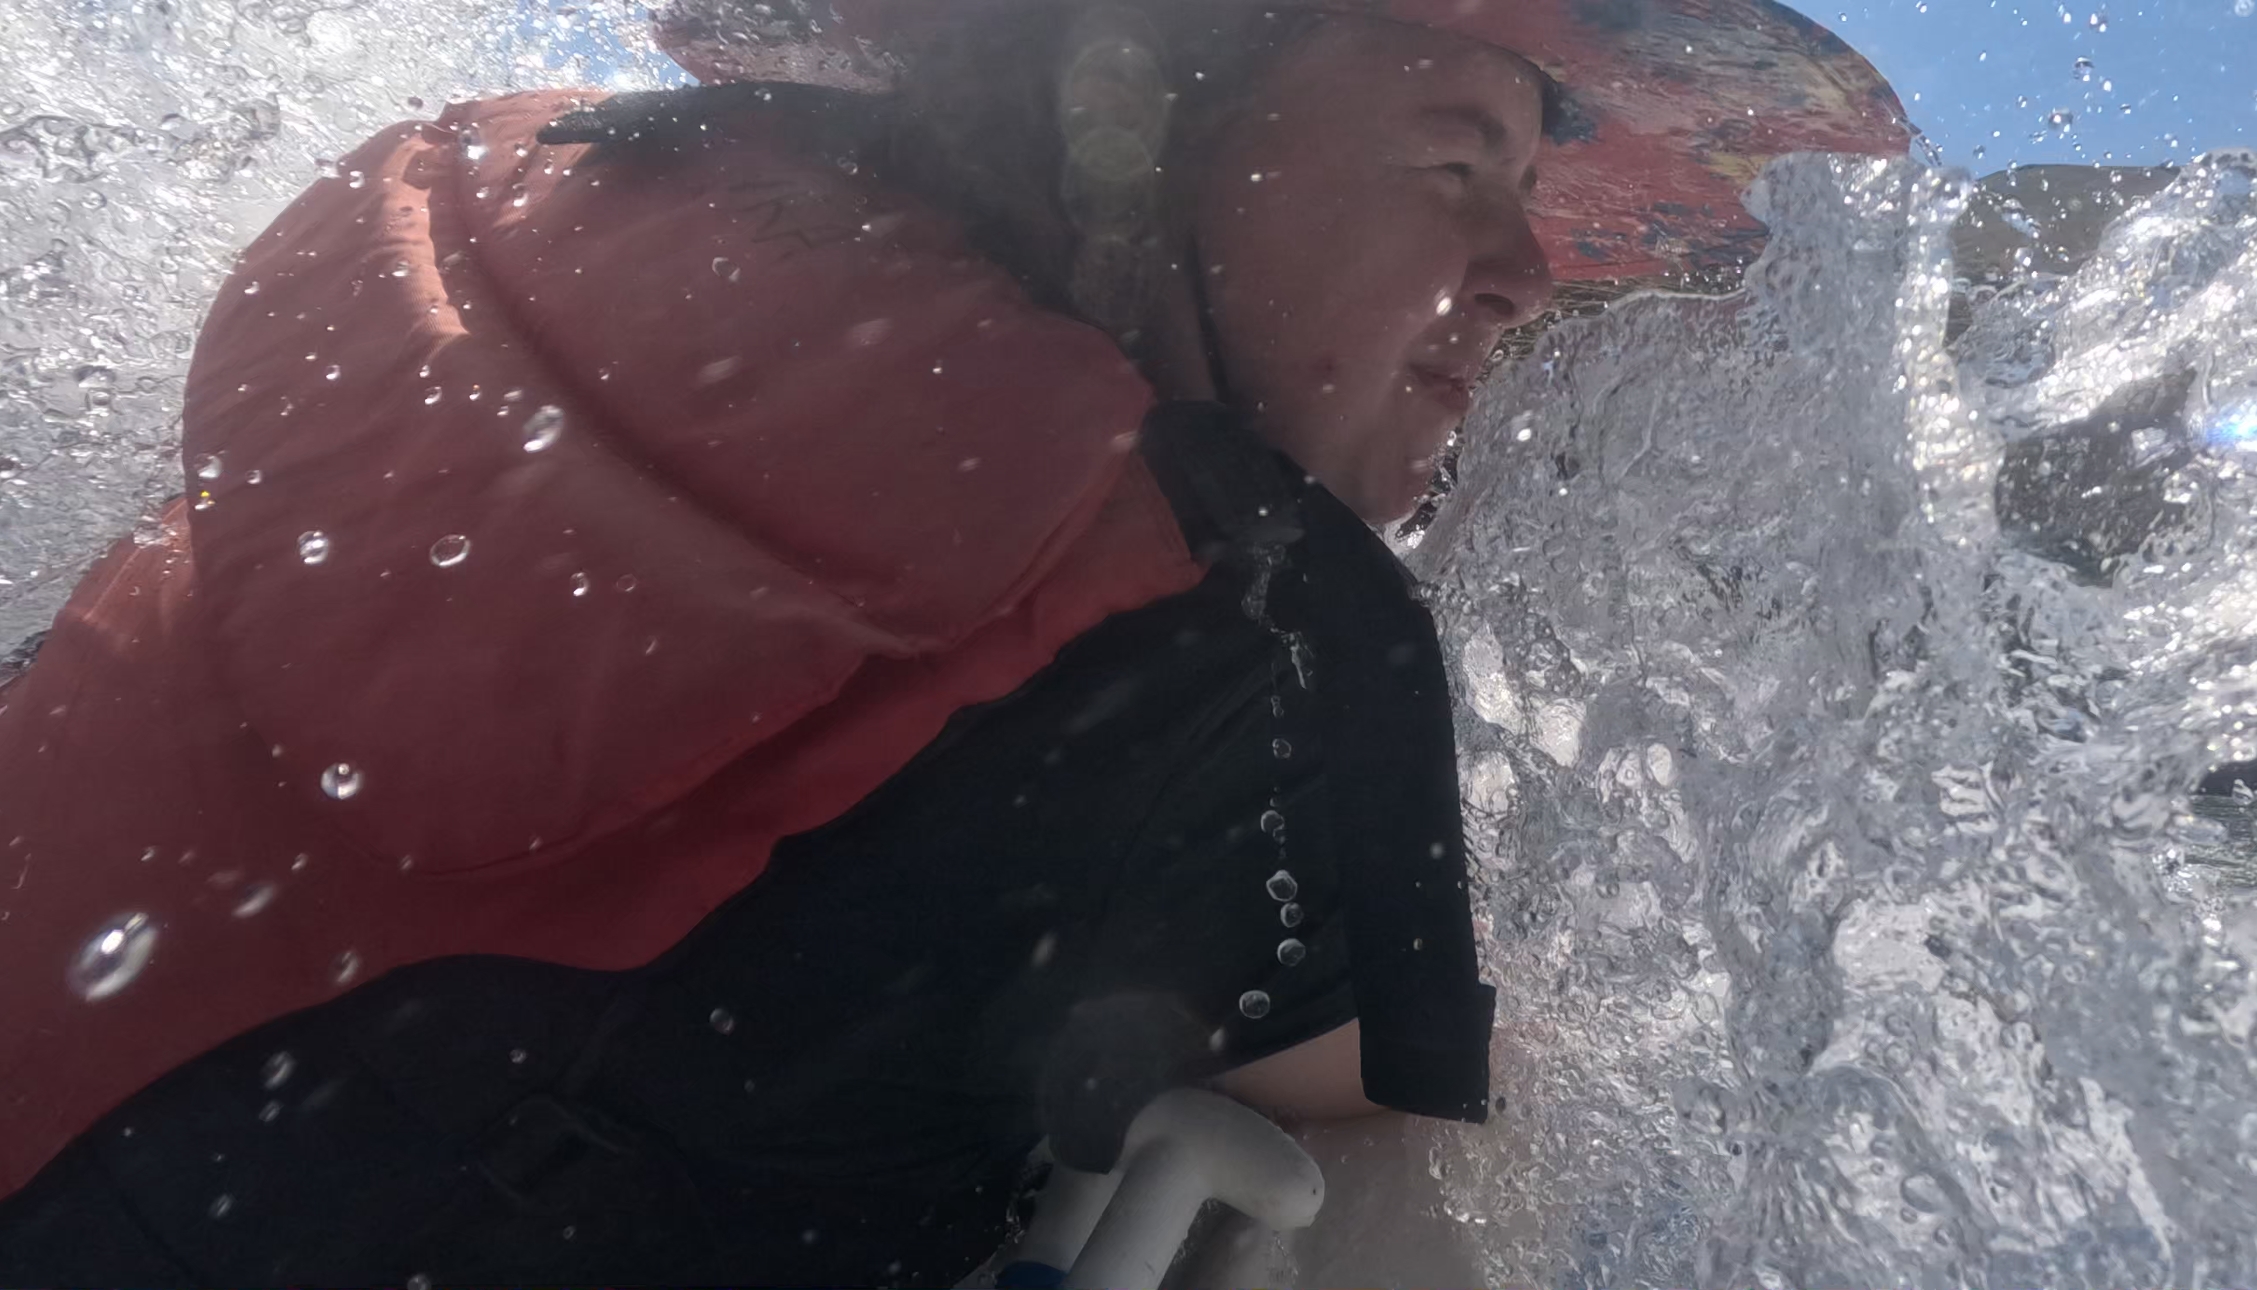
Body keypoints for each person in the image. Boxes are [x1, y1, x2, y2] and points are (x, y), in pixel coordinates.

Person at [0, 0, 1904, 1281]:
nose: (1528, 275)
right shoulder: (1234, 615)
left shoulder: (514, 206)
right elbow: (1413, 1112)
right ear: (1143, 119)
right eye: (1457, 163)